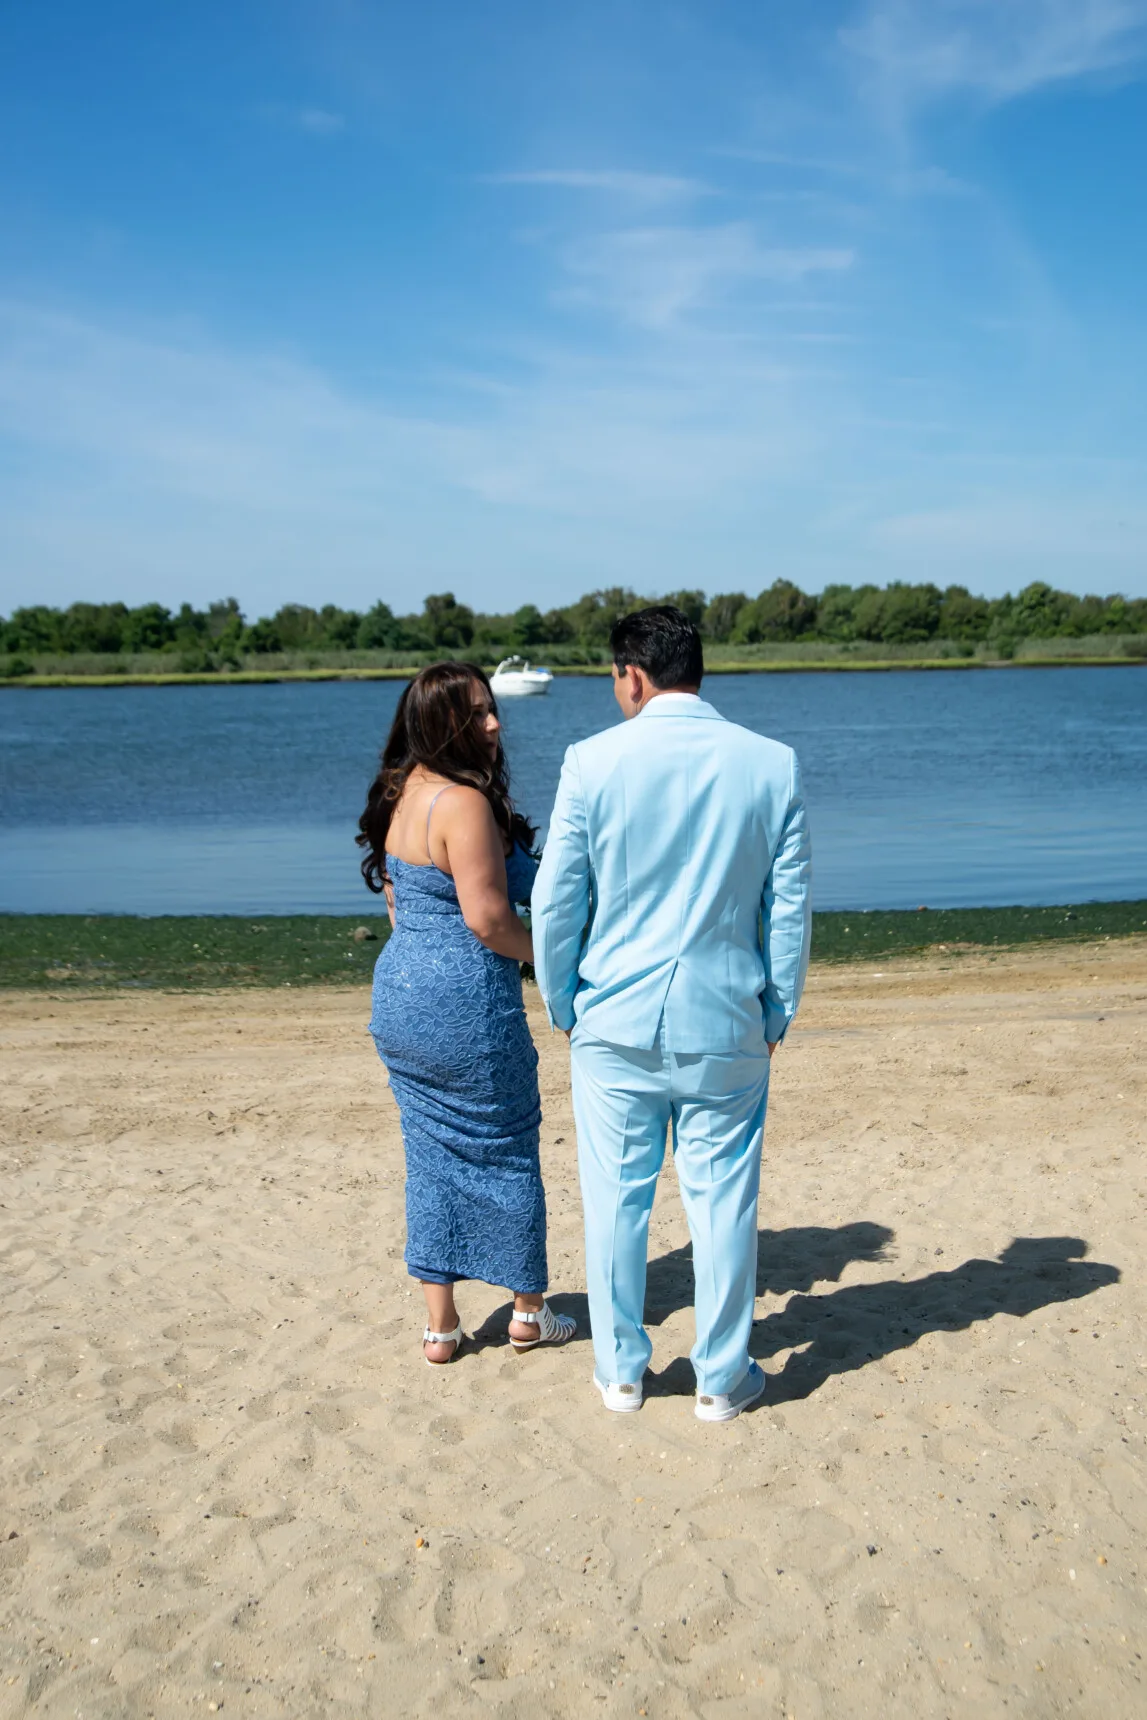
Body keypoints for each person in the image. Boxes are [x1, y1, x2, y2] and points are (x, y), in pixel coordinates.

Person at [531, 606, 811, 1421]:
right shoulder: (772, 765)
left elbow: (555, 902)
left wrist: (562, 1001)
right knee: (722, 1200)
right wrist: (777, 1009)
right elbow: (785, 911)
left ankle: (621, 1372)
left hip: (612, 1019)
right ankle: (720, 1380)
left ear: (632, 675)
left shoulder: (591, 762)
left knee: (615, 1199)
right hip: (727, 1017)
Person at [357, 662, 576, 1365]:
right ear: (440, 722)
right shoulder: (461, 804)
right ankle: (527, 1313)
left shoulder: (399, 793)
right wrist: (559, 959)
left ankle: (441, 1328)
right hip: (465, 1002)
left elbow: (397, 904)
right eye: (477, 712)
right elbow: (487, 921)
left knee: (429, 1157)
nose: (494, 722)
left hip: (400, 996)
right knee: (507, 1146)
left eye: (491, 708)